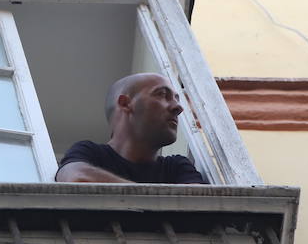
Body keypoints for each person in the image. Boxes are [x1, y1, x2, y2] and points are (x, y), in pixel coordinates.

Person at [54, 72, 208, 184]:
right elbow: (75, 178)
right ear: (125, 104)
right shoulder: (89, 152)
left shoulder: (177, 167)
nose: (178, 107)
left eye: (176, 99)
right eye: (161, 94)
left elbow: (201, 206)